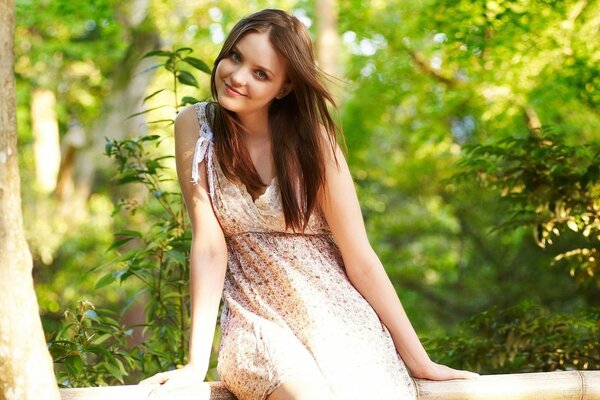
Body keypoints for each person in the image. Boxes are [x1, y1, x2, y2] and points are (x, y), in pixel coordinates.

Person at [140, 8, 478, 400]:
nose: (237, 76)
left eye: (260, 73)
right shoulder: (194, 125)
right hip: (255, 318)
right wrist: (195, 365)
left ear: (284, 87)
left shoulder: (311, 140)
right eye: (235, 56)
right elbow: (210, 246)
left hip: (334, 316)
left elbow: (360, 256)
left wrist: (420, 361)